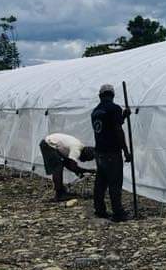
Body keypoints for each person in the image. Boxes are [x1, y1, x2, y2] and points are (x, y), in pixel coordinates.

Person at [91, 83, 131, 222]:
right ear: (112, 95)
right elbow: (117, 130)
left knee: (101, 182)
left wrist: (123, 116)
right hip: (112, 152)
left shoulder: (95, 111)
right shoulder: (114, 108)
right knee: (115, 183)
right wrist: (126, 151)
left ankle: (100, 209)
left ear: (100, 96)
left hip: (99, 151)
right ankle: (118, 213)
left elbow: (110, 125)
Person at [38, 132, 96, 201]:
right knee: (58, 167)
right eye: (85, 159)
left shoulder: (79, 146)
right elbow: (72, 166)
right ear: (85, 155)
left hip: (50, 144)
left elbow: (67, 163)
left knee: (60, 164)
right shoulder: (77, 149)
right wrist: (86, 171)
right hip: (48, 144)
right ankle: (59, 194)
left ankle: (62, 192)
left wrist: (81, 172)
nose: (83, 161)